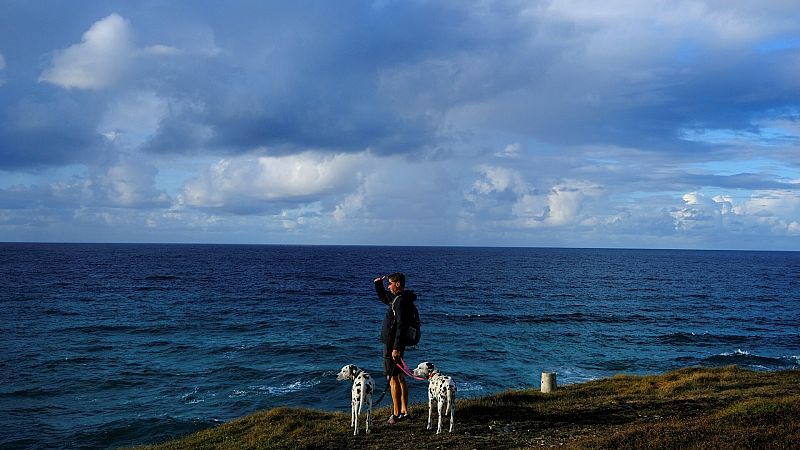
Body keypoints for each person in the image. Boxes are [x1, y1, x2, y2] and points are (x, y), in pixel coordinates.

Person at [373, 272, 417, 425]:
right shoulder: (400, 298)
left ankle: (396, 414)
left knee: (393, 379)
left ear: (398, 284)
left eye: (390, 283)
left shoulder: (400, 301)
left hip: (393, 345)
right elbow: (385, 298)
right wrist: (378, 285)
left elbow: (401, 325)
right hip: (395, 344)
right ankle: (404, 411)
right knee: (399, 377)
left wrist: (396, 348)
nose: (388, 286)